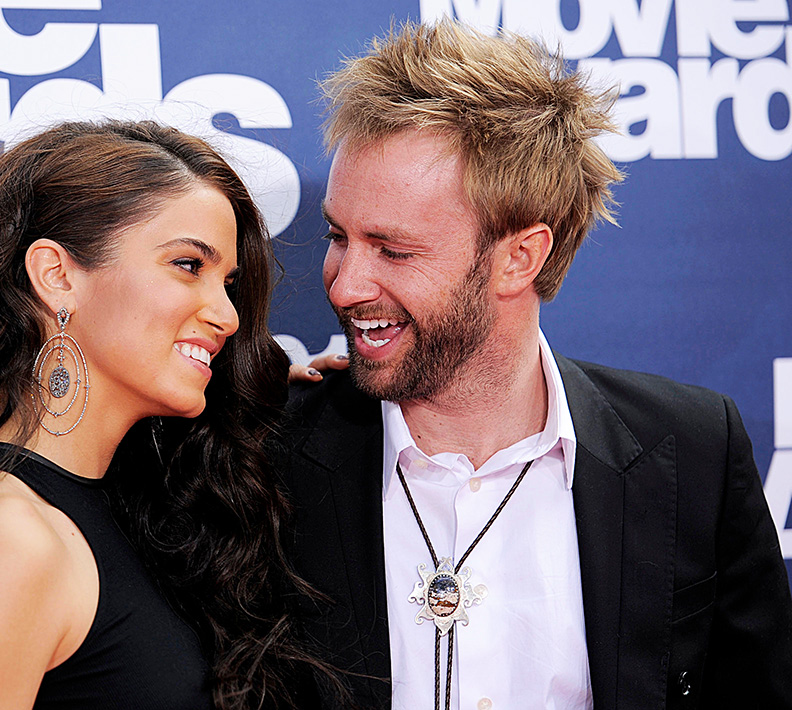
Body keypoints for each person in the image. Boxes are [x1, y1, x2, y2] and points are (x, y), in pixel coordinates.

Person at [278, 20, 792, 710]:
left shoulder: (691, 451)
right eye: (340, 237)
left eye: (393, 251)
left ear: (520, 257)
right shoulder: (266, 453)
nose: (343, 285)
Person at [0, 119, 329, 709]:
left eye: (227, 282)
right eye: (186, 265)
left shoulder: (124, 506)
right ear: (57, 276)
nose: (227, 315)